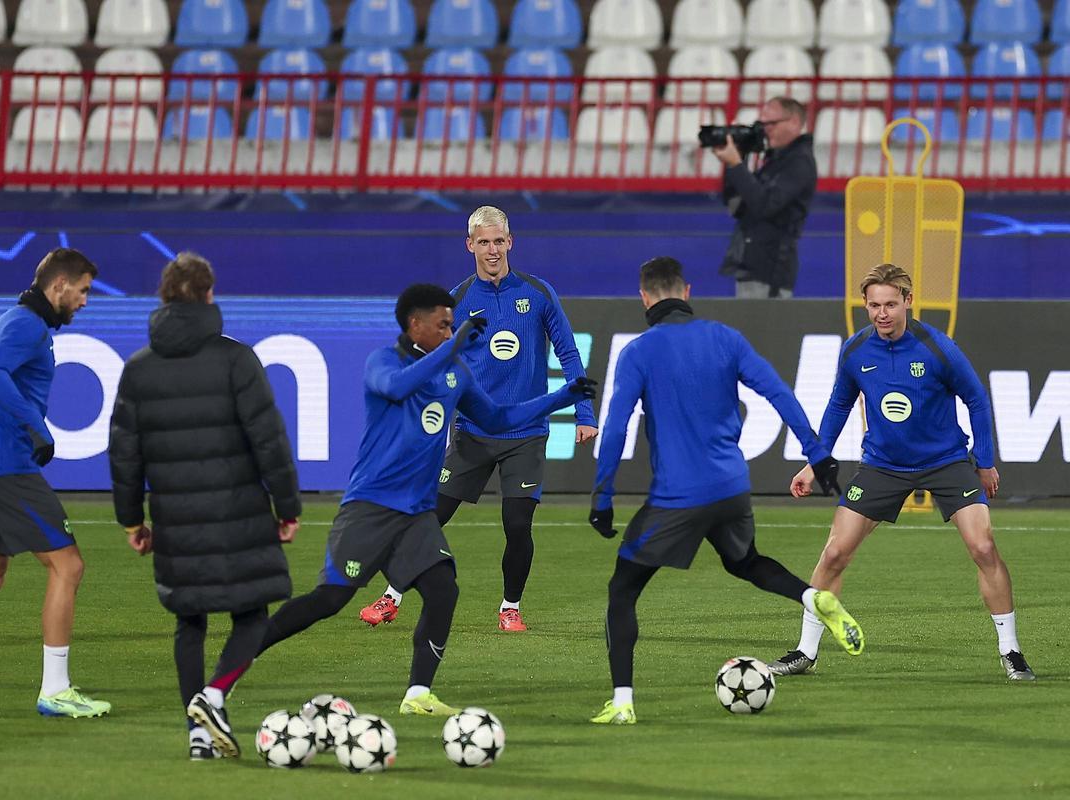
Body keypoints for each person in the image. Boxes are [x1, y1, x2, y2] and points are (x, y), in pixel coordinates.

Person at [182, 283, 597, 758]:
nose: (450, 328)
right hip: (371, 509)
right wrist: (457, 343)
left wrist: (562, 395)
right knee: (329, 600)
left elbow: (500, 417)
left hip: (416, 515)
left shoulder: (455, 372)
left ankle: (418, 693)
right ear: (414, 325)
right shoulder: (384, 362)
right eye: (442, 323)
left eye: (452, 322)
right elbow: (399, 388)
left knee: (443, 590)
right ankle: (215, 691)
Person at [586, 256, 861, 726]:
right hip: (732, 487)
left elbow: (614, 429)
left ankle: (623, 701)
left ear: (644, 297)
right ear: (687, 292)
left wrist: (603, 496)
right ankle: (813, 597)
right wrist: (818, 455)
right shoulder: (725, 338)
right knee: (744, 562)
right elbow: (780, 393)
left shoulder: (638, 352)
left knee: (622, 591)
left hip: (678, 496)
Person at [769, 263, 1036, 681]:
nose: (882, 314)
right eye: (874, 305)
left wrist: (983, 463)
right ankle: (806, 651)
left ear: (908, 302)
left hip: (947, 462)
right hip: (883, 466)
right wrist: (813, 462)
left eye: (891, 304)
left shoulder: (938, 347)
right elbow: (839, 405)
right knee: (835, 553)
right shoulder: (856, 351)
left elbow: (977, 400)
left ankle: (1011, 650)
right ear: (866, 305)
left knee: (983, 548)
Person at [360, 205, 598, 632]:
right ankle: (392, 596)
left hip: (525, 433)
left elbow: (567, 351)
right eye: (483, 242)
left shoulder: (538, 292)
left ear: (511, 242)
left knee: (517, 524)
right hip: (472, 431)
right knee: (430, 517)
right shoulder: (456, 300)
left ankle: (510, 607)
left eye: (499, 241)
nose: (492, 250)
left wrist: (584, 411)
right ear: (470, 244)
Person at [108, 253, 302, 760]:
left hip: (174, 516)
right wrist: (287, 505)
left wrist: (132, 518)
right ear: (210, 294)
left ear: (165, 297)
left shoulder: (139, 370)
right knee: (253, 613)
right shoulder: (236, 359)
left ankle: (198, 735)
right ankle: (214, 696)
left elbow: (125, 454)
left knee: (189, 620)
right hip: (238, 510)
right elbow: (269, 440)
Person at [0, 248, 110, 718]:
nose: (86, 301)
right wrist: (35, 425)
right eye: (84, 290)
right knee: (68, 567)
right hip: (8, 468)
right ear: (59, 287)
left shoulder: (15, 320)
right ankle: (56, 689)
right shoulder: (27, 325)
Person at [713, 96, 816, 299]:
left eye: (772, 123)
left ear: (795, 122)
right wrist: (737, 159)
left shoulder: (799, 162)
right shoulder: (775, 160)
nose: (766, 129)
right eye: (763, 123)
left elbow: (765, 205)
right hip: (752, 266)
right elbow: (738, 206)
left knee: (762, 330)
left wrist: (736, 165)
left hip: (772, 271)